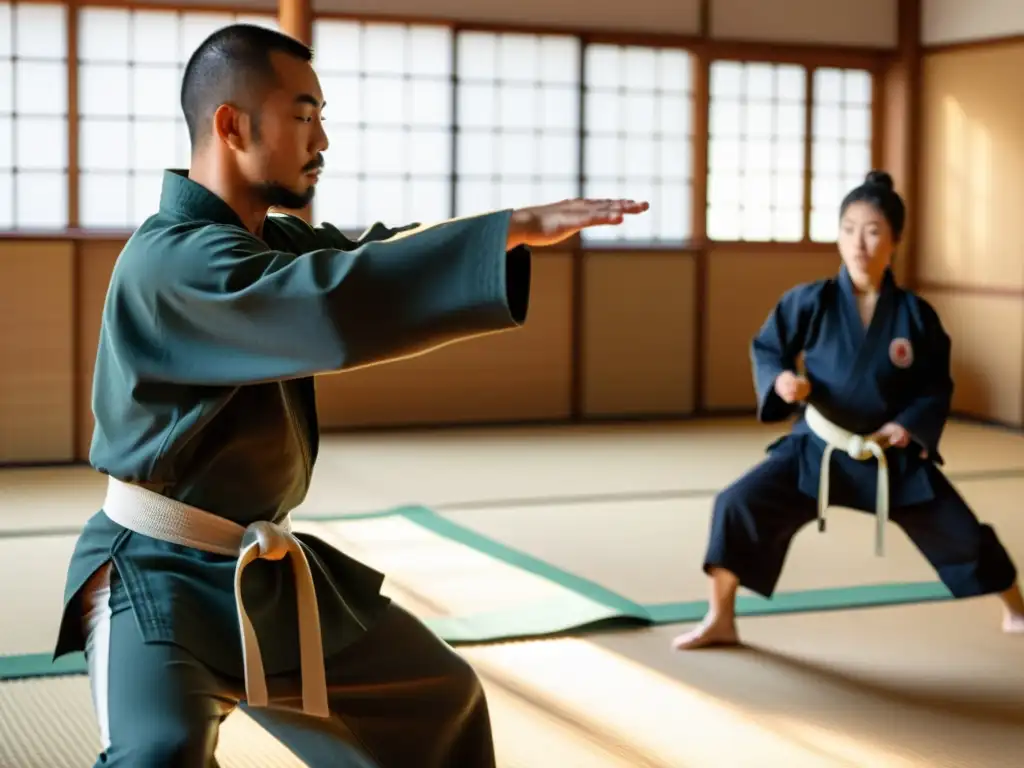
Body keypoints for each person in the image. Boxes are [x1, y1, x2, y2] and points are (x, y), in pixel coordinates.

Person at [51, 23, 649, 767]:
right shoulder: (170, 261)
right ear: (232, 125)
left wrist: (505, 235)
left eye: (322, 118)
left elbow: (366, 253)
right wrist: (508, 231)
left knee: (440, 701)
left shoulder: (263, 243)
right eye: (305, 116)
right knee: (160, 753)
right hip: (156, 574)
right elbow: (328, 302)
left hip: (261, 572)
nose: (322, 141)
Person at [672, 170, 1024, 651]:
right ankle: (720, 617)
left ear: (895, 238)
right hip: (817, 448)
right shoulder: (811, 301)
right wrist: (781, 380)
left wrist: (910, 425)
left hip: (889, 459)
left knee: (961, 531)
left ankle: (1016, 608)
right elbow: (768, 347)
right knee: (738, 504)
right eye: (849, 228)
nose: (859, 242)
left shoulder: (915, 316)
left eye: (874, 229)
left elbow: (936, 384)